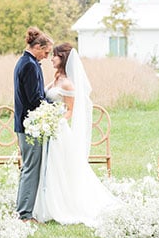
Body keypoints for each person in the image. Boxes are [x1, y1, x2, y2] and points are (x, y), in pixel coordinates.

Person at [32, 42, 120, 226]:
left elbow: (70, 111)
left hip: (58, 130)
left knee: (60, 167)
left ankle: (62, 204)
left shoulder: (68, 84)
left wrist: (54, 122)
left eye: (54, 55)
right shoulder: (56, 79)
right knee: (49, 167)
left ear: (62, 58)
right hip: (48, 127)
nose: (51, 59)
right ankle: (45, 203)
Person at [13, 26, 53, 222]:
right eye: (45, 52)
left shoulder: (29, 62)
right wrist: (54, 108)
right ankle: (24, 215)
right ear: (37, 46)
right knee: (30, 168)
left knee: (29, 167)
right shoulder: (28, 65)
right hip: (29, 126)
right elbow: (34, 99)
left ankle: (24, 210)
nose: (46, 56)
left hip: (27, 124)